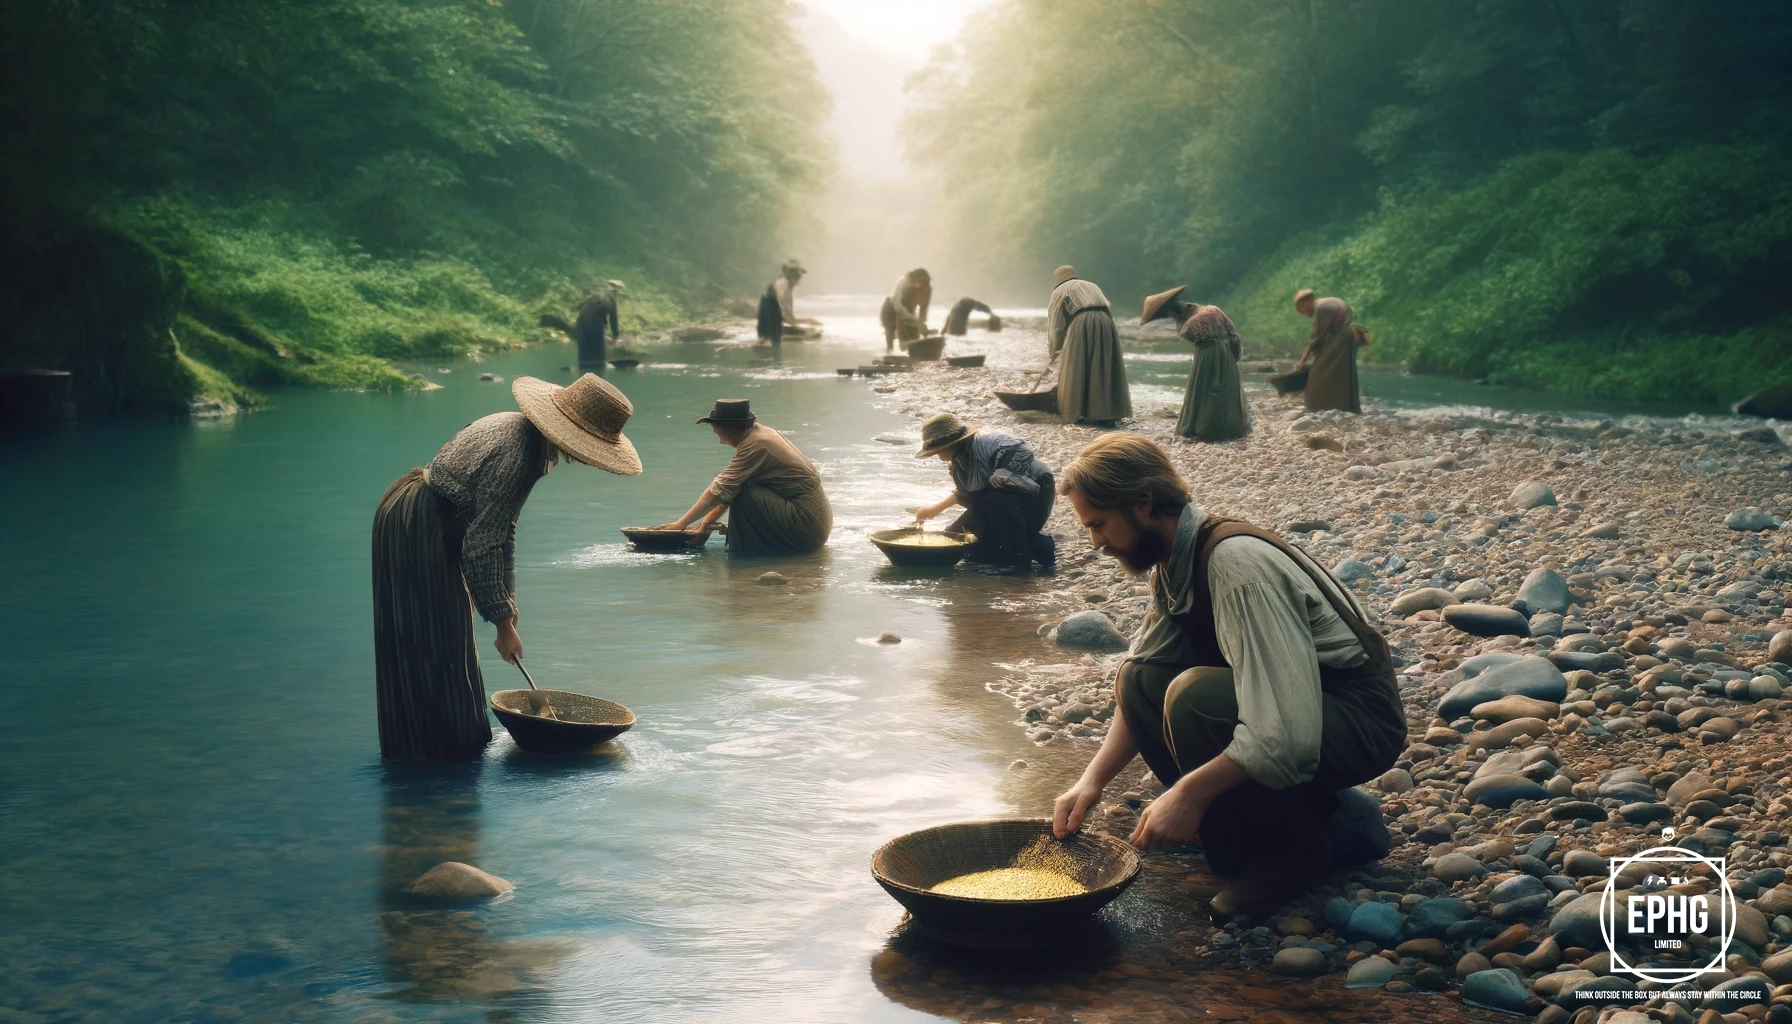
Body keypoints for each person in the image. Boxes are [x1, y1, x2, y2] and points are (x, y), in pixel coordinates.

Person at [1049, 434, 1404, 920]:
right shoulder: (1174, 558)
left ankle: (1289, 857)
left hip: (1359, 716)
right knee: (1140, 680)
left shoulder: (1236, 566)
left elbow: (1285, 732)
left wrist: (1187, 793)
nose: (1096, 544)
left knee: (1194, 696)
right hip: (1306, 709)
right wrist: (1091, 783)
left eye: (1098, 525)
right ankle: (1312, 819)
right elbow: (1141, 683)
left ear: (1143, 504)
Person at [372, 374, 642, 761]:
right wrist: (502, 625)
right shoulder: (519, 453)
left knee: (435, 640)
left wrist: (507, 606)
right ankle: (438, 753)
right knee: (436, 641)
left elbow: (504, 529)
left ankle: (430, 750)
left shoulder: (520, 430)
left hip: (413, 512)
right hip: (421, 527)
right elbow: (481, 544)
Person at [661, 399, 832, 556]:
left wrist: (679, 525)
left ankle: (743, 562)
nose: (714, 431)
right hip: (816, 521)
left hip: (808, 525)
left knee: (744, 492)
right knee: (741, 487)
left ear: (730, 427)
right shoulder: (758, 434)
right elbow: (728, 489)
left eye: (715, 426)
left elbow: (718, 491)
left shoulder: (756, 445)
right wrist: (705, 524)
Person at [911, 412, 1056, 569]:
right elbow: (968, 495)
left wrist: (1003, 472)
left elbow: (1024, 450)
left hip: (1037, 491)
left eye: (939, 451)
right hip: (1002, 503)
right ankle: (1027, 545)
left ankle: (1019, 555)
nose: (939, 456)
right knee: (958, 541)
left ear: (952, 444)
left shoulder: (986, 441)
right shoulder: (958, 464)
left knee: (994, 496)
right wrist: (936, 509)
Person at [1140, 286, 1251, 443]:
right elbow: (1234, 337)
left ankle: (1205, 429)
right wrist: (1233, 357)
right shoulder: (1213, 310)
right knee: (1221, 388)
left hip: (1208, 356)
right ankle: (1228, 427)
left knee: (1207, 390)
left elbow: (1190, 334)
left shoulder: (1190, 325)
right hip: (1225, 354)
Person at [1047, 265, 1131, 426]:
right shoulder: (1091, 285)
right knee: (1102, 366)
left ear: (1057, 281)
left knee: (1076, 365)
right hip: (1106, 322)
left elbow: (1056, 325)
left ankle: (1078, 412)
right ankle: (1106, 412)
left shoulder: (1058, 292)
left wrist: (1054, 351)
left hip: (1082, 322)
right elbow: (1106, 308)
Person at [1294, 288, 1370, 413]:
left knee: (1318, 372)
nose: (1304, 310)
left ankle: (1319, 405)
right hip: (1343, 338)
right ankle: (1342, 406)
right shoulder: (1322, 305)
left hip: (1342, 340)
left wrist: (1302, 362)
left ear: (1308, 301)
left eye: (1303, 305)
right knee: (1339, 373)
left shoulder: (1321, 308)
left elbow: (1317, 338)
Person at [880, 268, 932, 350]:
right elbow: (897, 305)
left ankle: (914, 351)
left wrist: (921, 324)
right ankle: (889, 350)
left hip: (908, 311)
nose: (920, 285)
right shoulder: (903, 282)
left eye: (923, 283)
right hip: (891, 308)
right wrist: (914, 319)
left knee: (913, 335)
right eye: (919, 281)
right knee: (890, 330)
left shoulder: (926, 290)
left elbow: (923, 311)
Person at [757, 260, 805, 346]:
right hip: (771, 315)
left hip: (769, 314)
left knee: (767, 340)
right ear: (792, 277)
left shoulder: (784, 284)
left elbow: (786, 311)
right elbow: (784, 308)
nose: (798, 283)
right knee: (774, 342)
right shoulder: (783, 283)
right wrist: (798, 322)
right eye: (797, 279)